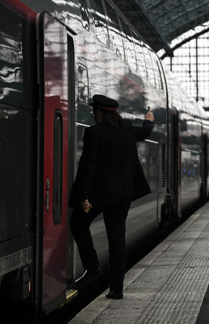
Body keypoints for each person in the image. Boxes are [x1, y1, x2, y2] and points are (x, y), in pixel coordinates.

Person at [69, 94, 154, 300]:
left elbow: (86, 168)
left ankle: (93, 268)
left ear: (100, 113)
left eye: (94, 112)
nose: (93, 115)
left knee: (78, 223)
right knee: (117, 240)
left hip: (98, 197)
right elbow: (143, 133)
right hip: (123, 196)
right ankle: (116, 289)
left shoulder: (94, 133)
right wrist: (149, 120)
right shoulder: (125, 128)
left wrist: (82, 197)